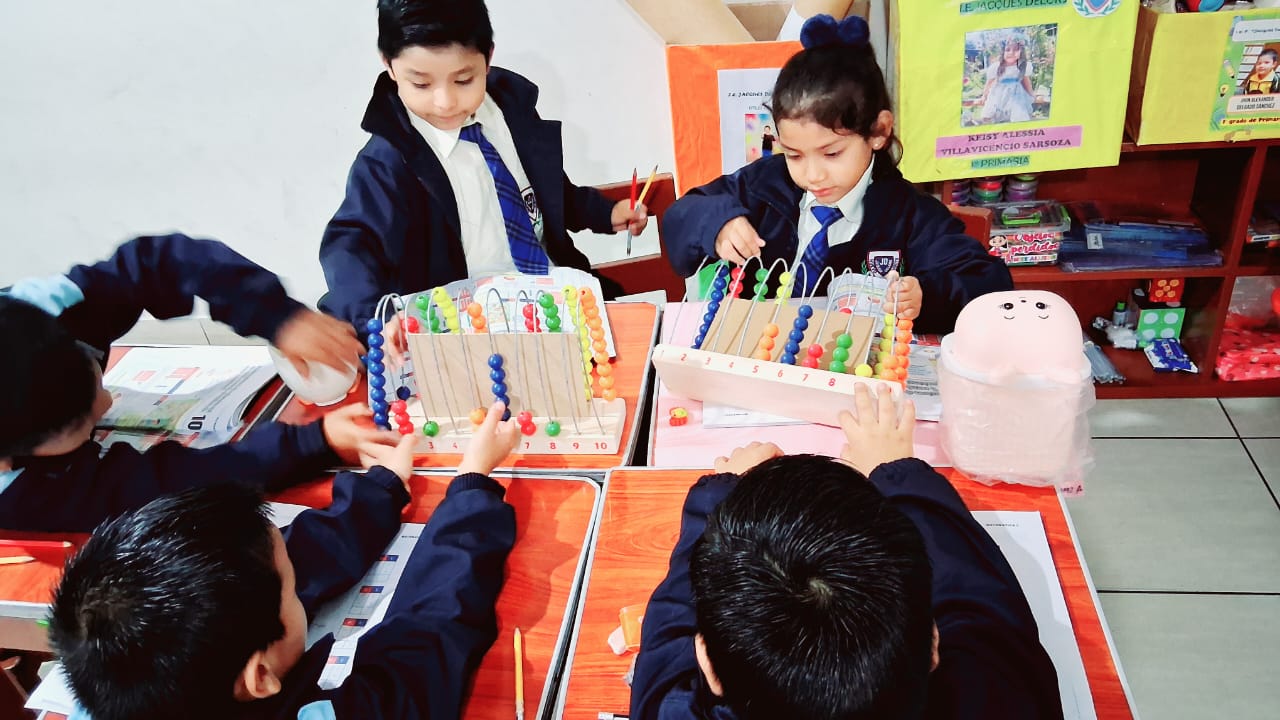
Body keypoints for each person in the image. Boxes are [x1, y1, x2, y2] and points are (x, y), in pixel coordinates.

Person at [49, 401, 521, 720]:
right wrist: (472, 484)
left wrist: (380, 490)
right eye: (293, 591)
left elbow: (276, 564)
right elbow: (423, 650)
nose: (298, 583)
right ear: (259, 677)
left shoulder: (123, 681)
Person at [630, 385, 1064, 720]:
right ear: (934, 645)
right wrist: (898, 471)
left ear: (707, 666)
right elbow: (978, 594)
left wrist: (722, 494)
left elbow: (668, 628)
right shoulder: (1003, 697)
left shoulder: (670, 710)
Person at [0, 234, 393, 532]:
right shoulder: (23, 495)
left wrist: (278, 317)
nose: (107, 404)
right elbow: (172, 485)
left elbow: (165, 262)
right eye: (79, 425)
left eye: (95, 376)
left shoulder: (45, 310)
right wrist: (312, 443)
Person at [660, 15, 1010, 334]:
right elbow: (680, 218)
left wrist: (927, 296)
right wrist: (717, 223)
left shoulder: (908, 215)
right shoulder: (764, 185)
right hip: (759, 358)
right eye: (794, 154)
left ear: (878, 131)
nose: (813, 175)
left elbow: (988, 283)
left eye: (831, 154)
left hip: (850, 371)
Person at [319, 0, 647, 335]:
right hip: (466, 329)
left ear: (488, 58)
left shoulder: (511, 113)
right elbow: (351, 246)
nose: (445, 102)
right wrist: (375, 318)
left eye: (464, 80)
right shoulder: (388, 161)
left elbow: (546, 194)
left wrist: (605, 213)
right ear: (389, 66)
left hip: (557, 303)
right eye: (421, 84)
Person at [979, 37, 1035, 124]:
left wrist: (1031, 94)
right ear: (1003, 52)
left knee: (1018, 111)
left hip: (1016, 94)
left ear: (1021, 52)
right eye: (1007, 50)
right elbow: (989, 83)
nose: (1011, 53)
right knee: (992, 109)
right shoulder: (997, 67)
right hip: (999, 93)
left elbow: (1026, 82)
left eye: (1016, 50)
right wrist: (984, 96)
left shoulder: (1021, 66)